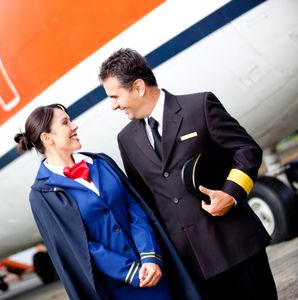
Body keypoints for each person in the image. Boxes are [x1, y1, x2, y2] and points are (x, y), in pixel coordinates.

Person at [98, 48, 277, 300]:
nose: (113, 105)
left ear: (138, 87)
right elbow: (146, 203)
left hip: (235, 248)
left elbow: (246, 150)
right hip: (190, 267)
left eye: (115, 96)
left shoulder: (199, 106)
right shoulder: (126, 139)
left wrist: (231, 194)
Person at [14, 104, 201, 300]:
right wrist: (132, 272)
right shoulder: (42, 195)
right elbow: (78, 247)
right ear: (47, 138)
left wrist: (149, 257)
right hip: (117, 288)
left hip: (155, 272)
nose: (74, 126)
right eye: (65, 123)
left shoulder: (101, 163)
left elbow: (134, 209)